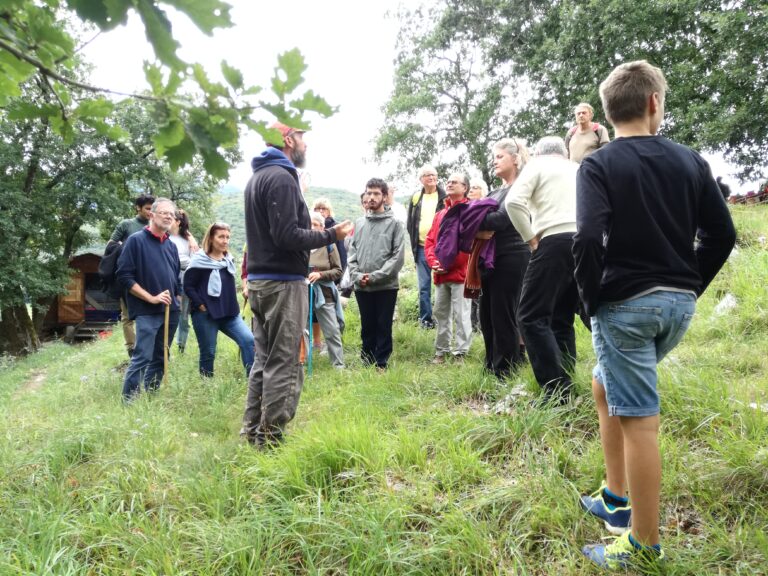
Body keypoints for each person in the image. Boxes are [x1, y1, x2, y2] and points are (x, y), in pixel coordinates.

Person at [573, 60, 736, 570]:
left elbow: (586, 238)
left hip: (624, 307)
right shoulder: (690, 160)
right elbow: (722, 234)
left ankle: (643, 543)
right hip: (676, 306)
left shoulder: (598, 165)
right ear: (653, 104)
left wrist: (588, 299)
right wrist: (687, 284)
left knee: (639, 418)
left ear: (607, 111)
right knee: (606, 385)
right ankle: (615, 496)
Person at [242, 122, 352, 448]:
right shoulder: (281, 177)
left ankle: (253, 434)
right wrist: (332, 234)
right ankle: (271, 441)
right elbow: (287, 236)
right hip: (283, 285)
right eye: (302, 137)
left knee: (263, 361)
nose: (306, 145)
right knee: (287, 362)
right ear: (289, 140)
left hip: (261, 283)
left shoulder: (257, 178)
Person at [506, 136, 579, 402]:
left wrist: (531, 238)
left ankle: (557, 391)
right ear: (564, 152)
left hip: (554, 239)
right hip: (585, 242)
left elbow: (513, 202)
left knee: (530, 317)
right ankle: (568, 378)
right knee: (561, 317)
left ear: (538, 152)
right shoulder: (577, 167)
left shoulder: (537, 165)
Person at [116, 198, 181, 401]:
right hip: (147, 310)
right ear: (151, 215)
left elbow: (176, 278)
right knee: (142, 355)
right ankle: (129, 400)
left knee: (162, 355)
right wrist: (151, 298)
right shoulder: (136, 240)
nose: (169, 217)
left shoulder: (170, 245)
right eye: (164, 213)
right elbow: (124, 276)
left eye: (172, 214)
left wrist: (177, 299)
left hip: (171, 311)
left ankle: (151, 395)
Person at [478, 139, 531, 380]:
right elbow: (477, 218)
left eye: (499, 157)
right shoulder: (494, 191)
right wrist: (476, 225)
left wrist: (475, 222)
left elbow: (501, 219)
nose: (494, 161)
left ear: (515, 158)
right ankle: (491, 363)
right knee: (486, 313)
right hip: (489, 258)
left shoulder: (521, 187)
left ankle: (506, 369)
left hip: (513, 255)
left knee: (504, 313)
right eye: (494, 157)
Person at [184, 222, 255, 377]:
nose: (225, 241)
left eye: (228, 237)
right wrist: (201, 305)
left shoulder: (228, 259)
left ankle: (253, 380)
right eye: (221, 237)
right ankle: (207, 385)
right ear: (210, 238)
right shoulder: (199, 260)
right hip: (205, 314)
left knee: (248, 341)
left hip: (229, 312)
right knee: (208, 352)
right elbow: (188, 286)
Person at [348, 178, 405, 370]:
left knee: (383, 324)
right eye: (368, 193)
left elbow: (397, 257)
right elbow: (352, 252)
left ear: (385, 196)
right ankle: (366, 361)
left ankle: (381, 363)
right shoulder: (359, 223)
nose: (371, 197)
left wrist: (375, 276)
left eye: (376, 193)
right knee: (367, 325)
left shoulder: (395, 223)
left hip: (385, 285)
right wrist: (357, 275)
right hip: (361, 285)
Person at [424, 172, 472, 363]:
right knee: (441, 313)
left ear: (464, 188)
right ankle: (441, 351)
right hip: (441, 275)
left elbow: (468, 245)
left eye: (455, 182)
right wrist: (434, 262)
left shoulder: (469, 211)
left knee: (462, 314)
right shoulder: (440, 215)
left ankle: (461, 353)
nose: (450, 184)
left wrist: (446, 264)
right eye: (449, 181)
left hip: (460, 273)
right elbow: (429, 242)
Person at [110, 194, 155, 357]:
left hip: (149, 277)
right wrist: (128, 247)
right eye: (148, 209)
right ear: (138, 207)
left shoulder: (155, 226)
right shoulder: (127, 225)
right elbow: (111, 245)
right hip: (128, 277)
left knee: (149, 313)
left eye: (153, 209)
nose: (151, 212)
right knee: (128, 315)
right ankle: (132, 349)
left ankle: (149, 347)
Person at [406, 165, 446, 329]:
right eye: (427, 175)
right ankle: (426, 321)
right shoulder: (416, 197)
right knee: (423, 287)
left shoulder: (444, 197)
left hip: (441, 248)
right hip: (421, 248)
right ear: (421, 179)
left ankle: (442, 320)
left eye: (434, 175)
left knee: (442, 285)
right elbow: (410, 223)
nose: (431, 178)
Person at [308, 212, 345, 369]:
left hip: (324, 293)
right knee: (300, 331)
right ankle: (300, 362)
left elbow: (338, 271)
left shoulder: (329, 245)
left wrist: (320, 274)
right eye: (308, 224)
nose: (311, 227)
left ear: (322, 228)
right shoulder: (300, 246)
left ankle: (338, 365)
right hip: (302, 293)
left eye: (315, 224)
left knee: (331, 330)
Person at [169, 210, 196, 354]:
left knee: (183, 315)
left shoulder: (188, 240)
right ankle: (164, 346)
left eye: (171, 218)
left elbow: (194, 259)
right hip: (167, 277)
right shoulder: (164, 237)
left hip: (184, 279)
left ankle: (181, 345)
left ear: (178, 222)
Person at [467, 178, 488, 332]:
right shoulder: (467, 208)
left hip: (484, 253)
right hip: (471, 252)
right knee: (473, 295)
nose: (471, 190)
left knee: (482, 293)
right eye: (471, 188)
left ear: (483, 191)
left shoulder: (487, 207)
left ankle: (481, 326)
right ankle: (473, 326)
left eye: (476, 187)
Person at [313, 198, 347, 271]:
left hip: (331, 273)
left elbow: (341, 252)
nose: (320, 211)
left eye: (323, 208)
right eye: (317, 208)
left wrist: (339, 276)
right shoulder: (309, 227)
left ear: (329, 211)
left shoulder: (336, 227)